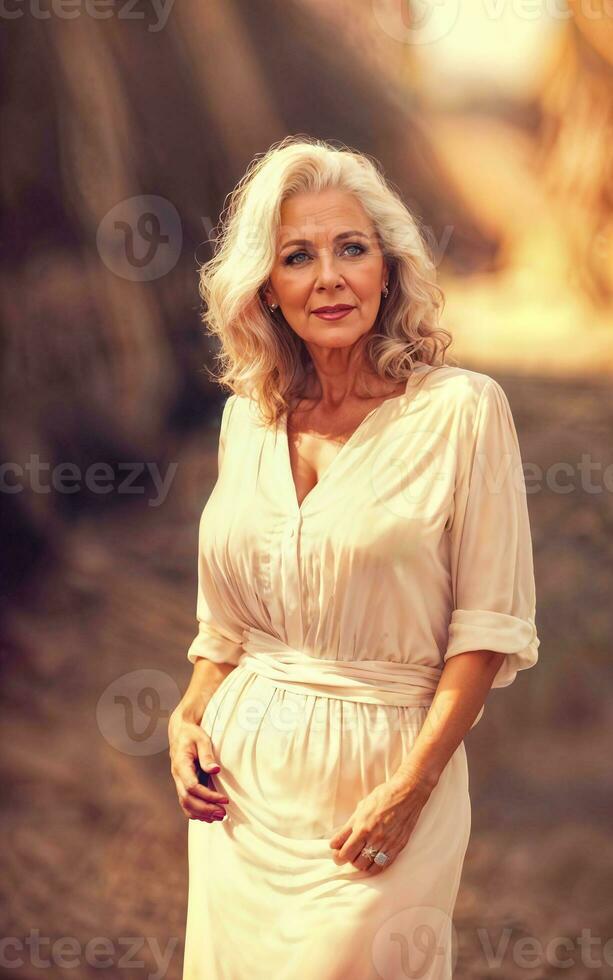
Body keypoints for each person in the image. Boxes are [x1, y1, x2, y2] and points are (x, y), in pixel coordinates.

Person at [169, 135, 540, 980]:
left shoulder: (462, 412)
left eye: (351, 248)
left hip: (386, 780)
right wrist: (187, 715)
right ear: (266, 287)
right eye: (297, 256)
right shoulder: (247, 420)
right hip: (242, 799)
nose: (328, 277)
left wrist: (410, 790)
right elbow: (222, 632)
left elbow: (485, 630)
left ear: (389, 267)